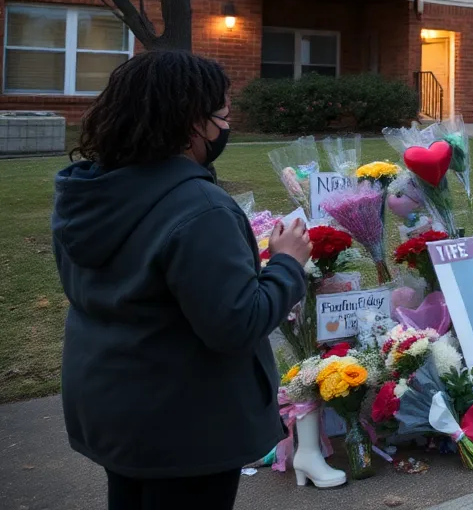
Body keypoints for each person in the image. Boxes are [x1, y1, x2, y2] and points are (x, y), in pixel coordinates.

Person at [51, 51, 311, 510]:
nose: (226, 127)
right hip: (187, 425)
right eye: (224, 116)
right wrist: (286, 264)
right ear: (195, 123)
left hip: (113, 409)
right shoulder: (198, 208)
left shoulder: (88, 194)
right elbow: (236, 323)